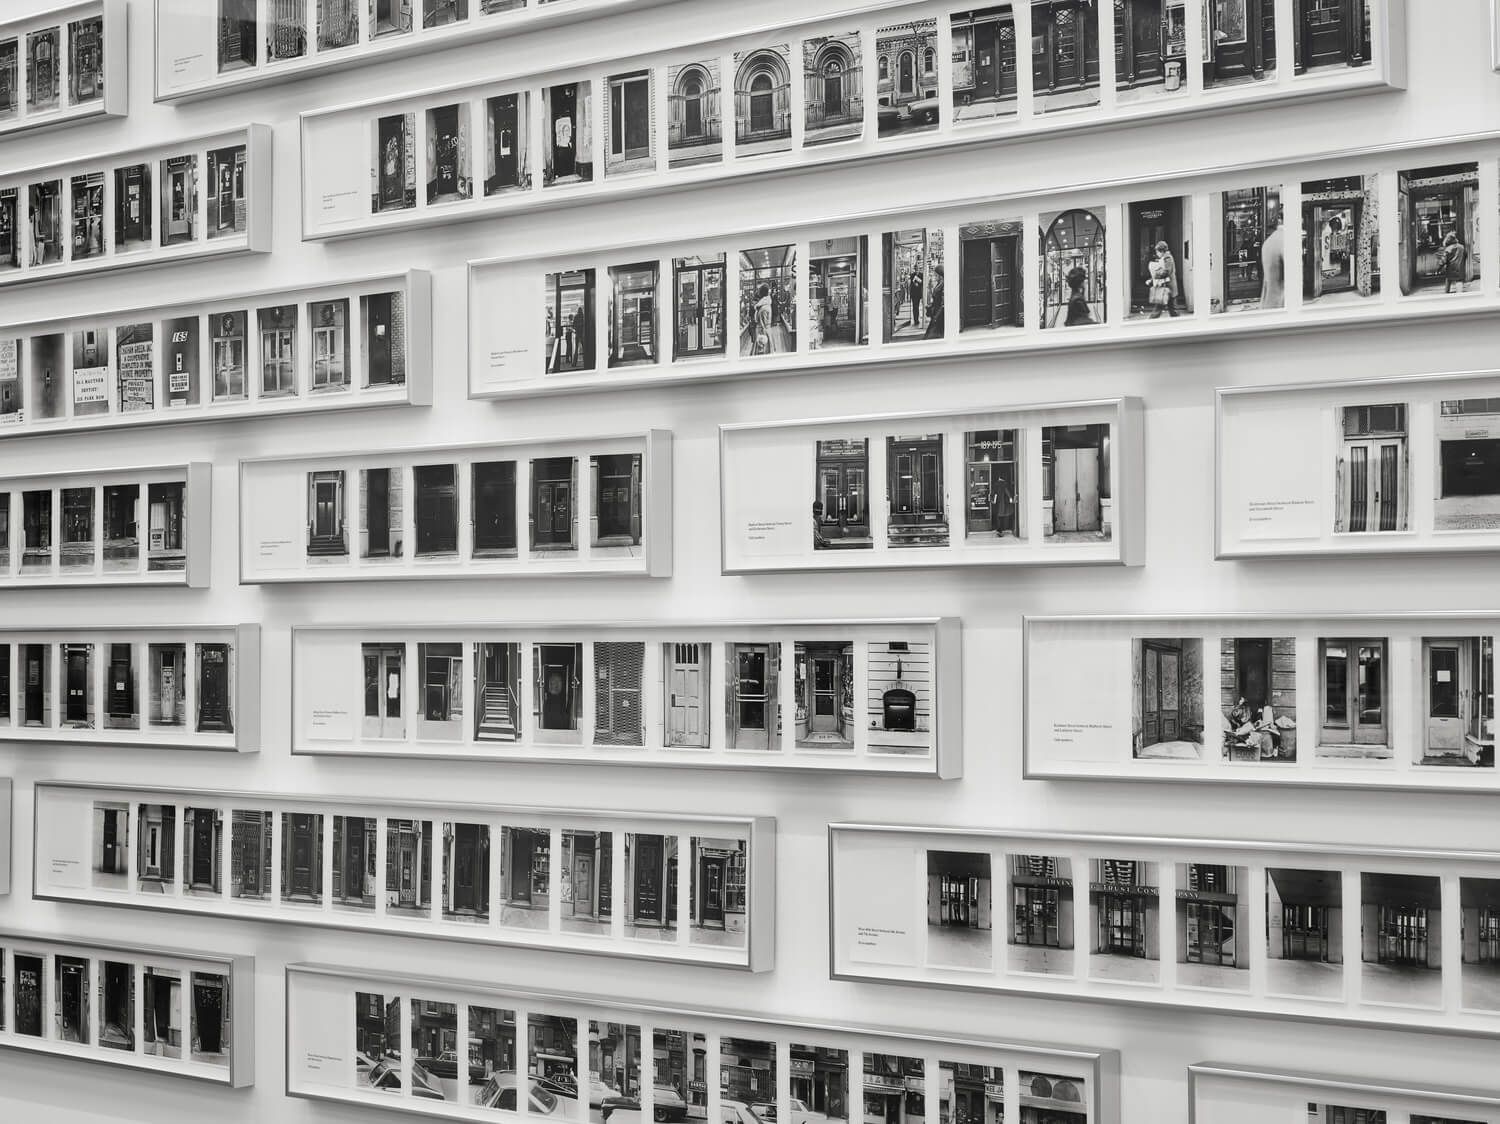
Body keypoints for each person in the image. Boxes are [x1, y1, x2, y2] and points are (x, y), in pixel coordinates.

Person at [1260, 210, 1285, 309]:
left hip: (1268, 304)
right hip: (1281, 306)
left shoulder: (1268, 242)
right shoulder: (1286, 240)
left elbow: (1266, 282)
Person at [1150, 240, 1180, 318]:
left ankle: (1149, 325)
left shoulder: (1167, 257)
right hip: (1169, 287)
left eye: (1157, 252)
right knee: (1173, 310)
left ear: (1161, 251)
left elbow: (1167, 271)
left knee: (1158, 308)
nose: (1157, 254)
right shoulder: (1166, 257)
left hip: (1168, 287)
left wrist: (1155, 274)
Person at [923, 264, 944, 339]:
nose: (935, 276)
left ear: (940, 275)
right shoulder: (939, 284)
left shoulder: (943, 285)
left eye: (936, 275)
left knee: (931, 337)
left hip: (938, 317)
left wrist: (936, 317)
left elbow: (942, 304)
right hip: (935, 314)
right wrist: (930, 306)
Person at [753, 283, 773, 354]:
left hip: (762, 333)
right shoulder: (765, 304)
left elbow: (763, 326)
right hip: (766, 331)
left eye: (759, 291)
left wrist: (761, 341)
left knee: (762, 352)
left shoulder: (763, 308)